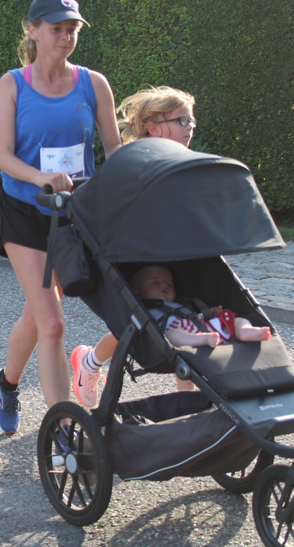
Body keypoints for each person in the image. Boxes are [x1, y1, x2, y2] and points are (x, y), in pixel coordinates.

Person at [0, 0, 121, 434]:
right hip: (26, 213)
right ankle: (64, 430)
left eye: (72, 29)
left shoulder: (93, 83)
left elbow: (114, 150)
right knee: (53, 323)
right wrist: (41, 177)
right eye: (56, 29)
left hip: (75, 215)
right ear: (33, 30)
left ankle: (6, 383)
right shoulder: (12, 84)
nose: (65, 37)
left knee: (37, 313)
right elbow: (3, 156)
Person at [71, 86, 203, 406]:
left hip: (180, 255)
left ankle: (189, 404)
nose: (190, 127)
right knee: (138, 323)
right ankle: (90, 361)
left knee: (187, 321)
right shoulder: (136, 165)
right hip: (139, 259)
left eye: (191, 120)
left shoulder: (188, 164)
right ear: (154, 128)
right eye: (182, 120)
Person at [132, 264, 272, 347]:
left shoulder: (180, 304)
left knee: (238, 320)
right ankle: (203, 339)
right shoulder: (144, 309)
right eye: (156, 283)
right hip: (179, 333)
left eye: (169, 284)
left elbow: (195, 315)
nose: (164, 286)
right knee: (172, 335)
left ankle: (246, 331)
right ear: (137, 293)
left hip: (205, 328)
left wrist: (210, 312)